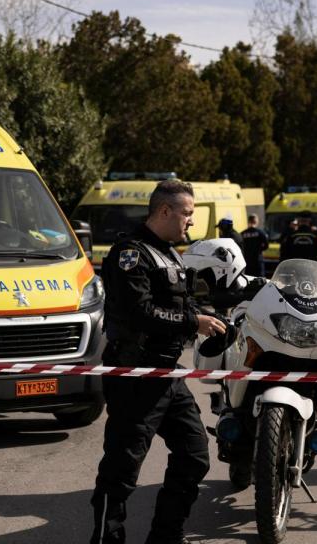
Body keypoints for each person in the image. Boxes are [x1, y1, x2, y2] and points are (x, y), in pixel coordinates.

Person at [91, 179, 227, 544]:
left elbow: (178, 303)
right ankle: (107, 538)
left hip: (168, 372)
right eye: (186, 214)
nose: (190, 223)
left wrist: (210, 318)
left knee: (194, 455)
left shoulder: (168, 252)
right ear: (164, 211)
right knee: (122, 469)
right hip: (136, 373)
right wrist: (191, 322)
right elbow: (139, 313)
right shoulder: (129, 253)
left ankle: (166, 536)